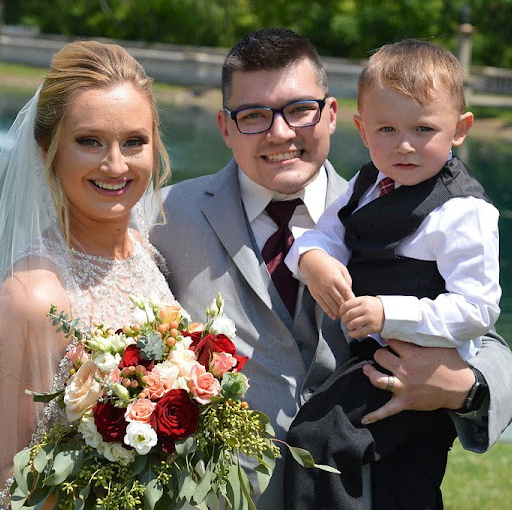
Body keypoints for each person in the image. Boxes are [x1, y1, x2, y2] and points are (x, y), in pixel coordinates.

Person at [149, 29, 512, 509]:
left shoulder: (407, 204)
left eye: (299, 109)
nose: (281, 133)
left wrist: (463, 388)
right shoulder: (163, 215)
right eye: (254, 115)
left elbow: (488, 340)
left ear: (333, 115)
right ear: (224, 126)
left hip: (364, 492)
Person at [284, 38, 501, 509]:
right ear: (362, 130)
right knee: (363, 466)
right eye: (386, 129)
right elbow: (324, 235)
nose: (404, 145)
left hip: (421, 371)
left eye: (423, 128)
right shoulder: (365, 183)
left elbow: (478, 310)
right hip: (368, 362)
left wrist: (389, 312)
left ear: (460, 129)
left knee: (324, 442)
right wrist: (313, 259)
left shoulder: (465, 211)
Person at [0, 40, 181, 506]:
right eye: (90, 141)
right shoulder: (35, 294)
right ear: (48, 151)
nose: (116, 164)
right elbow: (9, 478)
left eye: (134, 142)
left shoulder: (144, 250)